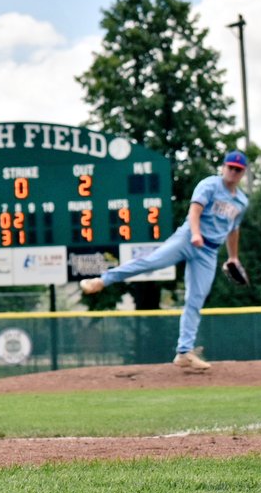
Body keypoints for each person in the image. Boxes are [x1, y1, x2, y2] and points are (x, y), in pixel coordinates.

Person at [79, 150, 250, 371]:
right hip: (188, 238)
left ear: (243, 172)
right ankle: (102, 280)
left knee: (196, 300)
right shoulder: (210, 185)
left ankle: (184, 353)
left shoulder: (241, 201)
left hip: (209, 252)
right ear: (223, 167)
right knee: (150, 262)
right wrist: (196, 233)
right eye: (230, 167)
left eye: (238, 169)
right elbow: (194, 211)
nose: (233, 172)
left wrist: (233, 258)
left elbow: (233, 230)